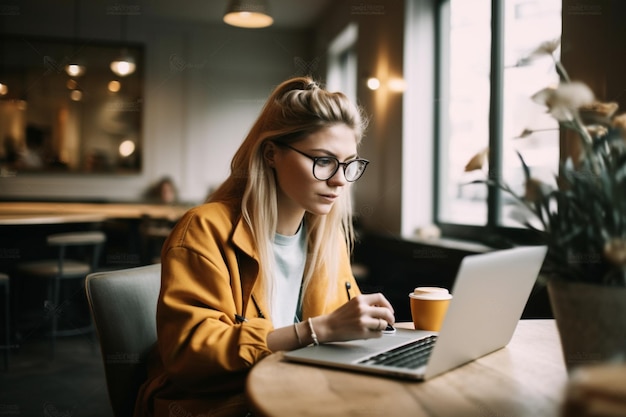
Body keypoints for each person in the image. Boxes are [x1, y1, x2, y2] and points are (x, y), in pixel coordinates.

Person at [134, 77, 395, 417]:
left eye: (349, 165)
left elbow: (339, 337)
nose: (339, 180)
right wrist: (316, 330)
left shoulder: (327, 239)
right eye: (323, 161)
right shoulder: (204, 229)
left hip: (299, 395)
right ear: (272, 154)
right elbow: (189, 357)